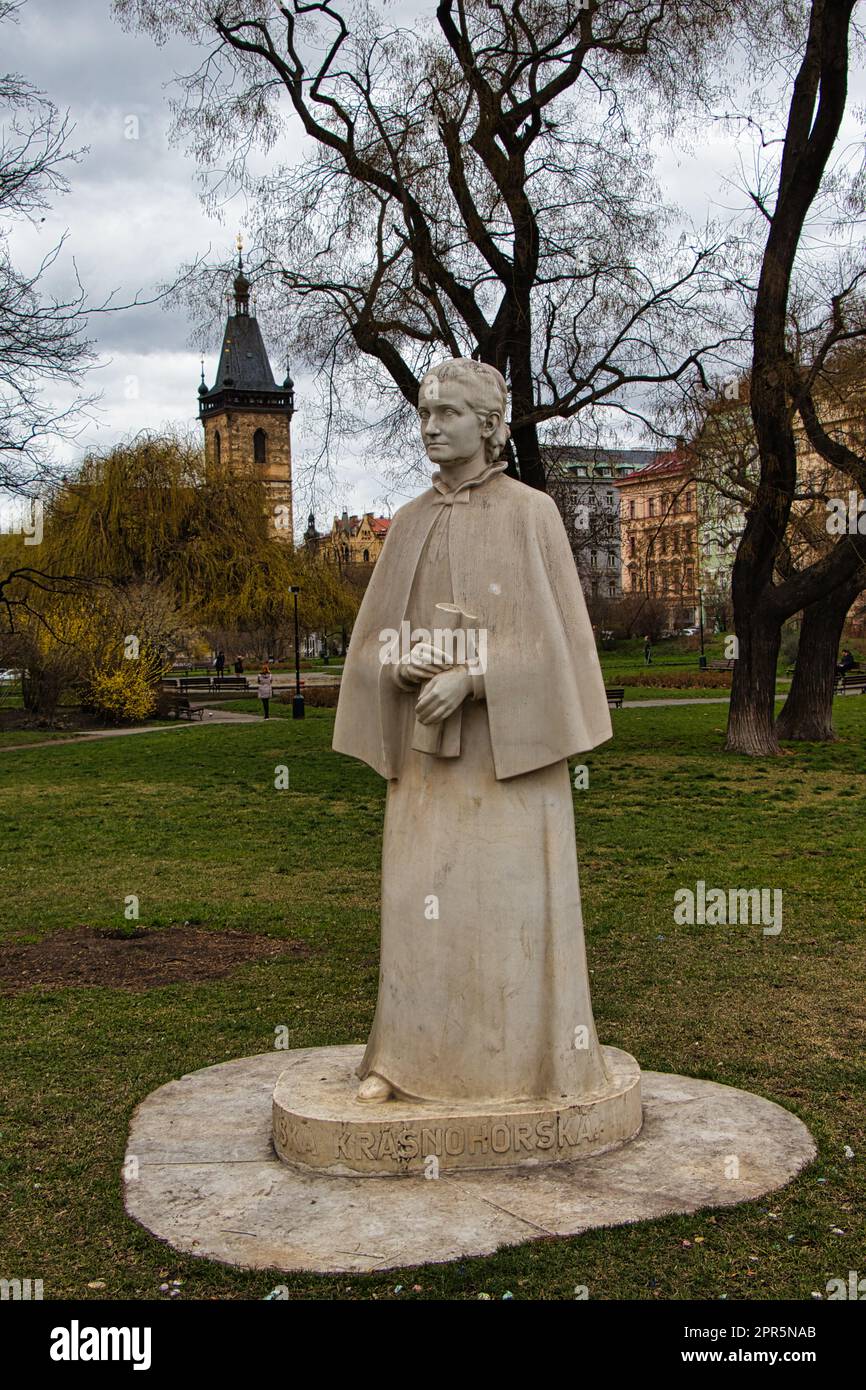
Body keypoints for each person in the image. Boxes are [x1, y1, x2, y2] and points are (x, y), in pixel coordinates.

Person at [333, 358, 614, 1106]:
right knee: (423, 908)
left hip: (509, 769)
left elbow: (565, 654)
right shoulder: (410, 523)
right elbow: (367, 651)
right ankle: (406, 1059)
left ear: (488, 426)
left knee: (507, 917)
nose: (430, 426)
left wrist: (476, 678)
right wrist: (400, 668)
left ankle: (522, 1068)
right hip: (427, 774)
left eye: (448, 413)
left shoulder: (532, 514)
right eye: (425, 413)